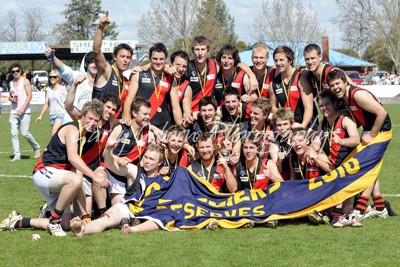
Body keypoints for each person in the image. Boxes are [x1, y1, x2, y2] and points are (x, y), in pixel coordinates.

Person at [0, 100, 110, 236]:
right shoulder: (72, 129)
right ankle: (53, 220)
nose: (92, 122)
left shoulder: (85, 133)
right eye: (90, 118)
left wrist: (85, 217)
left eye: (96, 120)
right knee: (76, 178)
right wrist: (95, 177)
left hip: (57, 177)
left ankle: (19, 221)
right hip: (44, 172)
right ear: (82, 115)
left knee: (65, 225)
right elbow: (73, 158)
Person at [328, 69, 392, 226]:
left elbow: (382, 113)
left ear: (345, 82)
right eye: (332, 85)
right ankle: (379, 207)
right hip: (370, 130)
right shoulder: (344, 98)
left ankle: (359, 210)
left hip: (381, 131)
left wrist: (372, 135)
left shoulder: (357, 95)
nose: (335, 87)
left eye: (337, 83)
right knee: (356, 164)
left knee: (366, 168)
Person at [70, 143, 165, 237]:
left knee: (159, 218)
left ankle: (133, 226)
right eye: (146, 157)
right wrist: (109, 151)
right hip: (129, 208)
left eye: (151, 159)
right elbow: (109, 164)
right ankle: (82, 229)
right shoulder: (135, 170)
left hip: (150, 210)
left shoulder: (165, 177)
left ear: (160, 162)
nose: (147, 161)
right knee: (107, 218)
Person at [310, 90, 360, 227]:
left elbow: (356, 140)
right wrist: (309, 151)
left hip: (349, 166)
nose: (324, 108)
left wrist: (341, 141)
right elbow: (316, 142)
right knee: (316, 156)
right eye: (321, 106)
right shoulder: (323, 124)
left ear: (334, 104)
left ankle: (337, 211)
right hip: (334, 167)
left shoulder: (345, 120)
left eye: (327, 104)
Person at [103, 96, 156, 205]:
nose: (148, 117)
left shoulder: (148, 134)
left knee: (125, 210)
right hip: (113, 169)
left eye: (149, 114)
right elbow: (105, 153)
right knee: (120, 207)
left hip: (132, 173)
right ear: (134, 113)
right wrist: (117, 159)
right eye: (145, 114)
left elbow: (154, 153)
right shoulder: (120, 128)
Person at [124, 43, 180, 129]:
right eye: (155, 59)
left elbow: (176, 108)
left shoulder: (171, 79)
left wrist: (180, 128)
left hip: (164, 126)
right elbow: (129, 100)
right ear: (150, 58)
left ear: (166, 59)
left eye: (161, 59)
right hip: (142, 125)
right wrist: (127, 117)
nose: (158, 62)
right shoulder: (139, 74)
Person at [92, 11, 133, 118]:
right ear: (114, 57)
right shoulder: (107, 70)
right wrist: (100, 28)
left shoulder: (124, 80)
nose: (125, 60)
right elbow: (96, 50)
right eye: (122, 56)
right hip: (97, 126)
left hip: (113, 128)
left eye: (128, 57)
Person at [44, 44, 96, 123]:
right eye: (92, 62)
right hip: (73, 121)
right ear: (86, 64)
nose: (95, 65)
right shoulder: (78, 76)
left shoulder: (103, 82)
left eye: (97, 62)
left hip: (92, 123)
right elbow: (63, 69)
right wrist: (52, 57)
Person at [269, 46, 317, 129]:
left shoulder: (301, 78)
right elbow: (273, 107)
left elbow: (308, 107)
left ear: (290, 60)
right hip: (288, 127)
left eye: (281, 60)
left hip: (307, 125)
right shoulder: (273, 83)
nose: (278, 63)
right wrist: (282, 114)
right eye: (276, 60)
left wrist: (302, 127)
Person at [8, 63, 40, 161]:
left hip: (25, 111)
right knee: (13, 134)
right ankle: (17, 155)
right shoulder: (11, 83)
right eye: (13, 72)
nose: (15, 73)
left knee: (25, 133)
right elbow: (10, 95)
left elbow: (30, 96)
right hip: (13, 111)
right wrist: (11, 99)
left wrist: (22, 108)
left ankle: (36, 147)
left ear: (20, 71)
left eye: (17, 71)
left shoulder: (25, 81)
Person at [35, 70, 67, 136]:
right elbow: (46, 104)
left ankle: (50, 146)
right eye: (50, 77)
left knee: (53, 135)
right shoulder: (48, 89)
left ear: (58, 78)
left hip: (60, 114)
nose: (52, 78)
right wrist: (40, 116)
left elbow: (67, 103)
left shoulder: (62, 89)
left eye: (54, 77)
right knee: (57, 136)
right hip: (52, 116)